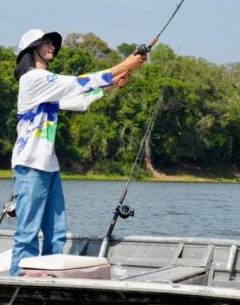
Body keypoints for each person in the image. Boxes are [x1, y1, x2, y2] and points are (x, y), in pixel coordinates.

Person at [10, 29, 146, 276]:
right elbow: (77, 82)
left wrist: (110, 85)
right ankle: (17, 283)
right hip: (29, 165)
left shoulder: (46, 84)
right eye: (46, 42)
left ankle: (48, 281)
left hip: (49, 166)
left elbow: (77, 100)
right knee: (27, 233)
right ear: (32, 49)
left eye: (52, 42)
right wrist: (124, 64)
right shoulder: (32, 79)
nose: (52, 46)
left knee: (56, 233)